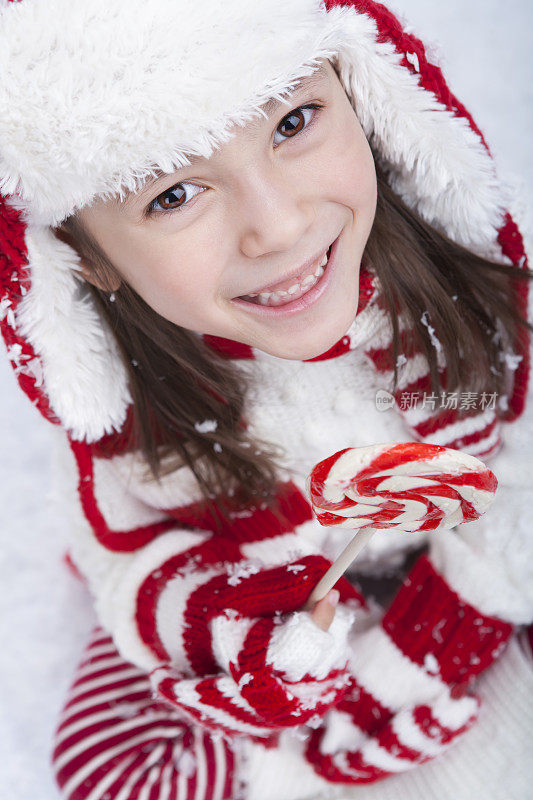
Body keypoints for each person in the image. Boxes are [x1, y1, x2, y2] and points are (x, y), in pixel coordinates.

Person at [1, 0, 532, 798]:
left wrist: (439, 631)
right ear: (85, 259)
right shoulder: (129, 413)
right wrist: (242, 635)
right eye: (173, 195)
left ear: (359, 92)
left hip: (472, 548)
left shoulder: (454, 284)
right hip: (277, 582)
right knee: (112, 775)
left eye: (293, 121)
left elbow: (520, 472)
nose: (278, 228)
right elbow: (127, 562)